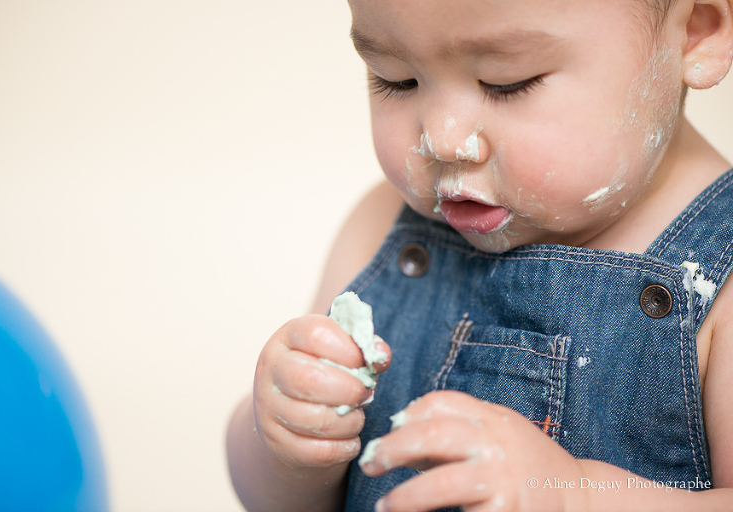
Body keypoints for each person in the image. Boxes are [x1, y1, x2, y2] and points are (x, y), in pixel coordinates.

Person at [226, 0, 733, 510]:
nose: (443, 140)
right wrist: (285, 445)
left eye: (507, 82)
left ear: (695, 32)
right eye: (397, 80)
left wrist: (574, 498)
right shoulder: (383, 226)